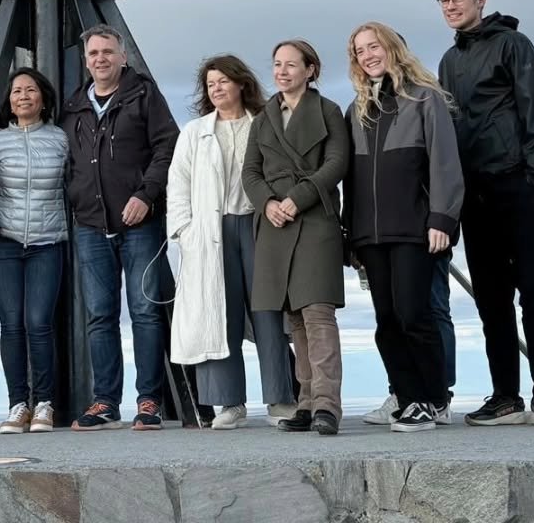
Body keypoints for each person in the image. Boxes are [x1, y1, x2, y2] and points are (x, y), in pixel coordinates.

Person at [436, 0, 534, 428]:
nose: (451, 7)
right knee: (491, 297)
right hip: (476, 194)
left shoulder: (514, 45)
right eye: (444, 1)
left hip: (519, 184)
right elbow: (448, 130)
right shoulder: (449, 61)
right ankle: (506, 396)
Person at [343, 24, 463, 433]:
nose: (368, 55)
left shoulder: (425, 99)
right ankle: (410, 399)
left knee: (416, 315)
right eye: (360, 51)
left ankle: (432, 400)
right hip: (370, 235)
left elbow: (445, 163)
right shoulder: (356, 110)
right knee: (387, 320)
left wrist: (442, 219)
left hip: (416, 227)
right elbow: (351, 181)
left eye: (374, 46)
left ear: (392, 48)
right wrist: (351, 235)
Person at [166, 55, 297, 430]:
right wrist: (184, 232)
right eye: (210, 84)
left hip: (259, 227)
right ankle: (229, 403)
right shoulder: (194, 132)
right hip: (211, 232)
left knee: (268, 313)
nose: (217, 88)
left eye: (223, 81)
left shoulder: (267, 124)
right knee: (218, 315)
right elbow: (178, 185)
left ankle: (280, 399)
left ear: (241, 83)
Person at [61, 25, 178, 431]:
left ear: (122, 57)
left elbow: (168, 146)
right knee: (99, 316)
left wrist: (146, 195)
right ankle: (105, 402)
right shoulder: (74, 105)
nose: (100, 59)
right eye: (93, 53)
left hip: (139, 224)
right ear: (86, 60)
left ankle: (149, 400)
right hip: (91, 225)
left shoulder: (144, 95)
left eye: (107, 52)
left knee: (145, 312)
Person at [241, 39, 350, 436]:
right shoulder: (263, 118)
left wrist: (296, 199)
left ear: (310, 69)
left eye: (291, 65)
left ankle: (327, 406)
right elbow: (250, 171)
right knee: (294, 318)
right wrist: (268, 203)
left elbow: (337, 163)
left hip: (315, 218)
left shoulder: (328, 111)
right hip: (274, 224)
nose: (282, 71)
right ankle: (306, 403)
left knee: (318, 313)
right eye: (276, 65)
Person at [0, 68, 70, 434]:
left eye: (30, 90)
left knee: (38, 323)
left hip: (48, 242)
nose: (23, 96)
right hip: (4, 243)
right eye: (16, 91)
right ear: (9, 100)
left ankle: (44, 404)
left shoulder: (61, 139)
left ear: (43, 98)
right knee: (11, 325)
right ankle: (18, 404)